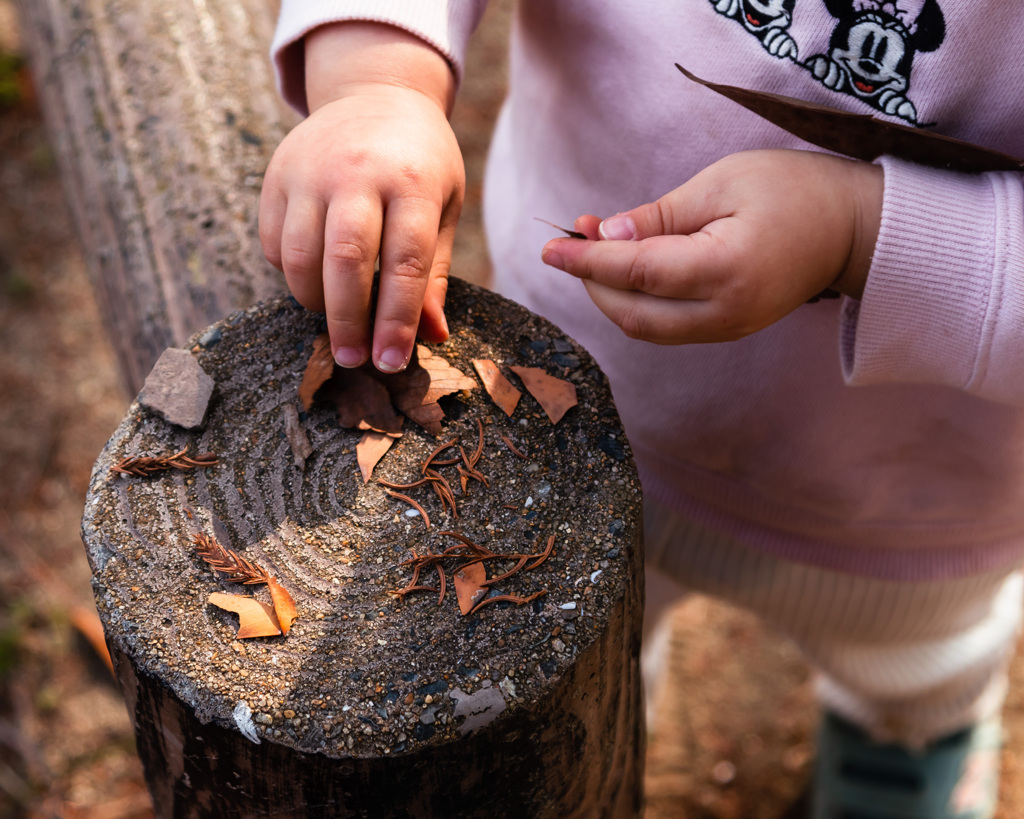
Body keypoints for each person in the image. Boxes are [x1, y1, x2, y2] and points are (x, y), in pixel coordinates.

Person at [259, 3, 1024, 817]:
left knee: (920, 663)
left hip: (920, 500)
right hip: (571, 422)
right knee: (577, 640)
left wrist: (863, 235)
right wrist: (377, 79)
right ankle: (599, 711)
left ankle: (909, 734)